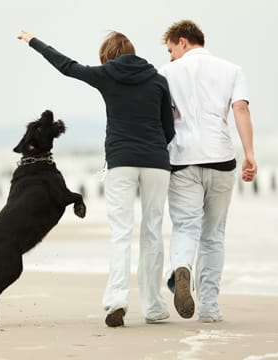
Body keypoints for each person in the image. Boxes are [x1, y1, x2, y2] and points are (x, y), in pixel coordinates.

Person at [17, 30, 175, 327]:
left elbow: (66, 66)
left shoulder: (106, 75)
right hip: (156, 163)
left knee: (121, 232)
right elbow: (169, 129)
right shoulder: (157, 80)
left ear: (108, 56)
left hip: (121, 163)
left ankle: (117, 300)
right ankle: (154, 307)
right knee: (153, 231)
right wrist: (153, 149)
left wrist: (33, 41)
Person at [159, 20, 258, 323]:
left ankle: (181, 268)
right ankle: (210, 308)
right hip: (221, 159)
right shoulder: (232, 70)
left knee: (186, 226)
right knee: (213, 235)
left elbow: (159, 117)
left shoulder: (165, 73)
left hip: (182, 160)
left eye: (171, 49)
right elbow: (240, 108)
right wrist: (249, 154)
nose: (170, 56)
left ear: (183, 42)